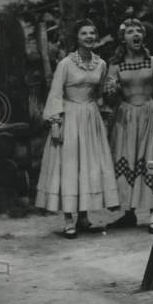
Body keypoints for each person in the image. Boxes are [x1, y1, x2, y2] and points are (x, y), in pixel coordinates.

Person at [36, 19, 121, 239]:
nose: (89, 37)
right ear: (77, 38)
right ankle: (68, 219)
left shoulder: (100, 64)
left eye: (93, 33)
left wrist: (104, 107)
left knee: (88, 167)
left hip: (90, 117)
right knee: (70, 167)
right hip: (69, 116)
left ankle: (84, 217)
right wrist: (55, 122)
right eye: (84, 33)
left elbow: (100, 93)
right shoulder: (65, 63)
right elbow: (55, 92)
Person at [104, 18, 153, 233]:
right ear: (123, 38)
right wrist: (111, 88)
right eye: (130, 31)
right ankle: (129, 213)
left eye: (139, 31)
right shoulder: (115, 64)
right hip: (126, 117)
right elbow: (108, 94)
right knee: (127, 160)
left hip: (150, 115)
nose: (135, 35)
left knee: (151, 160)